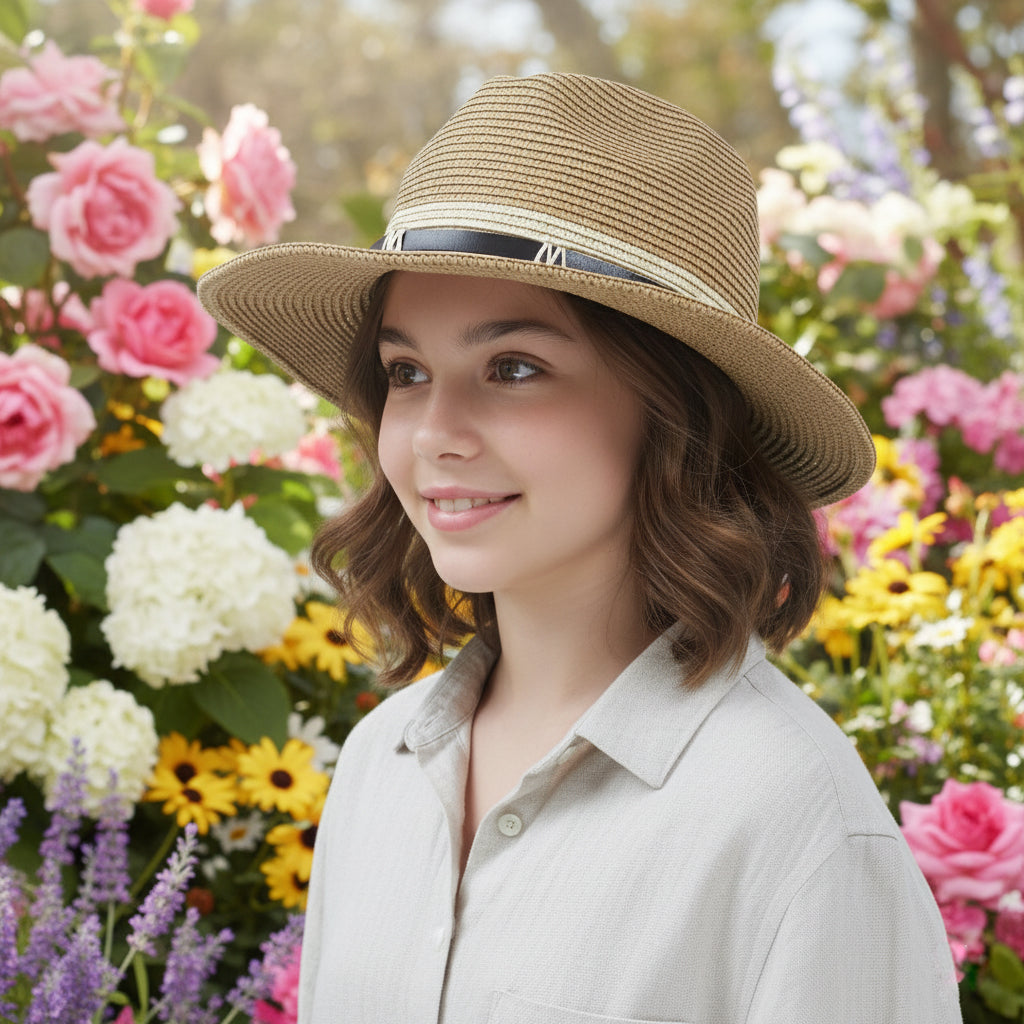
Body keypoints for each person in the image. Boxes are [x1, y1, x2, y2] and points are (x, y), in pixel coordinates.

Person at [199, 73, 961, 1024]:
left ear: (675, 413)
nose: (435, 429)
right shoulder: (377, 766)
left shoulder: (797, 823)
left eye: (513, 368)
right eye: (406, 371)